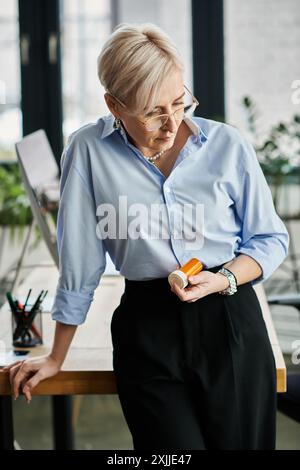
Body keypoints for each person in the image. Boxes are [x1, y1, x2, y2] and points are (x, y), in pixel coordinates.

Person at [4, 23, 289, 450]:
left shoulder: (228, 146)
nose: (172, 123)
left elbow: (268, 239)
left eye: (180, 102)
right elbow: (80, 266)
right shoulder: (86, 151)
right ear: (114, 105)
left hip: (229, 318)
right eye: (153, 111)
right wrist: (57, 356)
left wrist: (224, 278)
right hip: (147, 329)